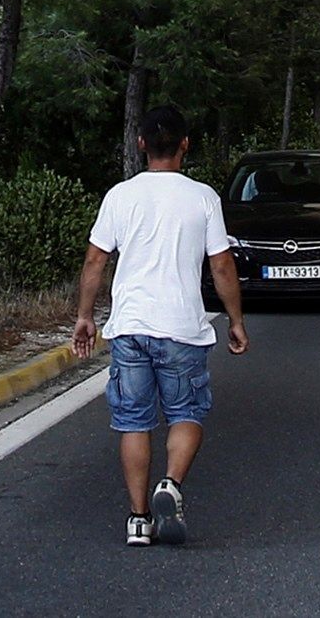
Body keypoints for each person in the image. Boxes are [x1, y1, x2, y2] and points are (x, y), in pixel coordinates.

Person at [71, 105, 248, 549]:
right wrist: (236, 320)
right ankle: (170, 483)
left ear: (141, 144)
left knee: (133, 421)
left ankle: (137, 519)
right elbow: (222, 264)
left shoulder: (119, 196)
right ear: (186, 145)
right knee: (186, 413)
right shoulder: (203, 197)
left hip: (129, 326)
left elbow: (96, 259)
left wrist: (85, 316)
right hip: (182, 327)